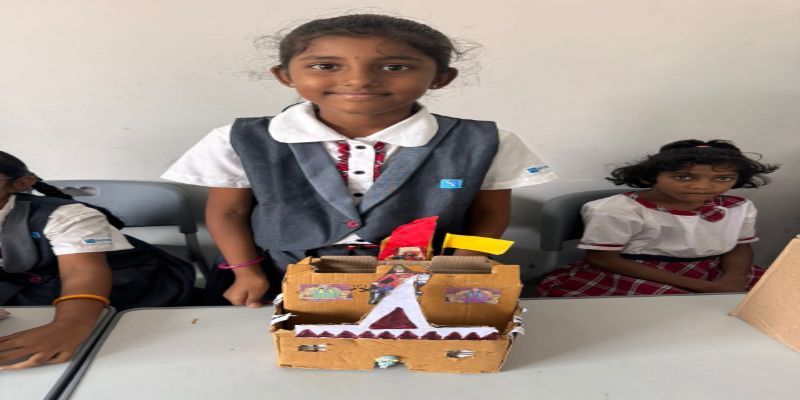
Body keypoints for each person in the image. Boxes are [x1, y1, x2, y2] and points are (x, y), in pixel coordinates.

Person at [162, 14, 557, 307]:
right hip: (272, 276)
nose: (359, 80)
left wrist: (463, 265)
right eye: (325, 66)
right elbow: (228, 213)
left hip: (425, 278)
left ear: (441, 77)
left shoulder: (485, 141)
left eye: (395, 67)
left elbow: (489, 214)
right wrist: (246, 271)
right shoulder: (240, 139)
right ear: (285, 76)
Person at [0, 151, 195, 369]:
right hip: (32, 280)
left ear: (20, 184)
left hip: (117, 277)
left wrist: (70, 325)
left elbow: (81, 273)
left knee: (110, 343)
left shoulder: (65, 216)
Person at [537, 139, 779, 297]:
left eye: (723, 178)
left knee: (776, 299)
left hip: (714, 268)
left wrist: (733, 280)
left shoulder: (739, 207)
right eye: (683, 177)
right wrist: (703, 287)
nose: (703, 187)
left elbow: (739, 247)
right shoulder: (616, 210)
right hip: (635, 270)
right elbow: (602, 258)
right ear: (650, 176)